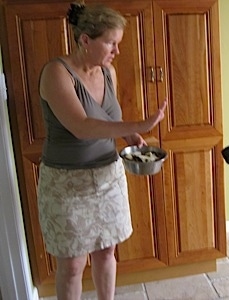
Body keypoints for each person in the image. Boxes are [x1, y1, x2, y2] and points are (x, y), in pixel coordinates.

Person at [36, 2, 167, 299]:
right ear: (85, 40)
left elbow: (109, 118)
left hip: (108, 176)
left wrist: (130, 134)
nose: (116, 51)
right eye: (110, 43)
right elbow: (82, 126)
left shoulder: (108, 72)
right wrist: (142, 123)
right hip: (66, 184)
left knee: (107, 251)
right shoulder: (56, 73)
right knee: (72, 264)